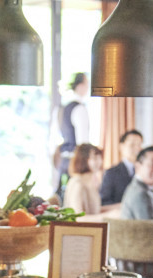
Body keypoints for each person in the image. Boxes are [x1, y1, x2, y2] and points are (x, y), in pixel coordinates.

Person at [55, 72, 90, 200]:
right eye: (87, 84)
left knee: (63, 198)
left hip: (64, 160)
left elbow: (55, 137)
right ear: (80, 86)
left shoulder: (62, 108)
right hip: (75, 162)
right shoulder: (79, 108)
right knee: (74, 199)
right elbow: (83, 142)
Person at [100, 129, 143, 206]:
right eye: (132, 145)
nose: (137, 149)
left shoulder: (145, 172)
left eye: (139, 145)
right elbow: (104, 201)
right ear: (121, 146)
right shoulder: (111, 173)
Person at [63, 143, 104, 215]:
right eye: (94, 158)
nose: (99, 161)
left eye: (99, 157)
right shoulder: (77, 184)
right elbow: (78, 218)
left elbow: (95, 211)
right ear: (83, 160)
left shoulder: (90, 182)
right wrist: (108, 215)